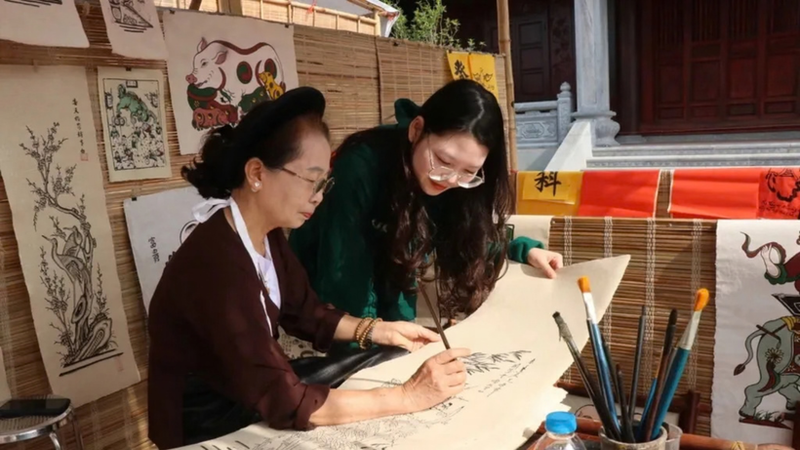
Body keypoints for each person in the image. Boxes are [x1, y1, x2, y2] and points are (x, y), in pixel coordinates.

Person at [147, 87, 470, 449]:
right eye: (310, 180)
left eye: (323, 184)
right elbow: (286, 400)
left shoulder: (264, 235)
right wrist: (408, 397)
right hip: (202, 422)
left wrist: (380, 330)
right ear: (256, 173)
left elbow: (306, 311)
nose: (318, 196)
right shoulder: (217, 263)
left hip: (241, 391)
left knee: (385, 354)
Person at [289, 79, 563, 332]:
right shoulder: (361, 166)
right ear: (416, 129)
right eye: (443, 161)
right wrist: (373, 341)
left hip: (387, 307)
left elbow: (467, 232)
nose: (452, 179)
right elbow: (343, 276)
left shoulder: (454, 182)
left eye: (469, 171)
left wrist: (522, 250)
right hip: (321, 308)